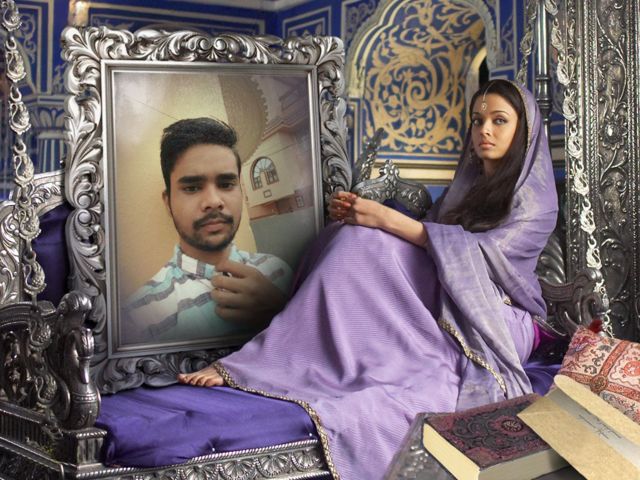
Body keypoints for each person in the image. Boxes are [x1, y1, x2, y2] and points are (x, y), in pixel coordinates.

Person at [177, 80, 558, 479]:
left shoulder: (536, 201)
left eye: (499, 120)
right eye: (477, 120)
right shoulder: (467, 189)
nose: (484, 130)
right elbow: (429, 242)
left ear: (524, 130)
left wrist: (386, 219)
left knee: (369, 240)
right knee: (347, 236)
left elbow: (482, 256)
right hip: (447, 295)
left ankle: (271, 360)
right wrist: (364, 216)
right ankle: (297, 357)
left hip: (496, 318)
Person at [123, 118, 292, 344]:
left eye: (226, 184)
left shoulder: (279, 272)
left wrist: (281, 314)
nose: (213, 201)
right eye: (192, 187)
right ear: (168, 202)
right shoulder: (139, 317)